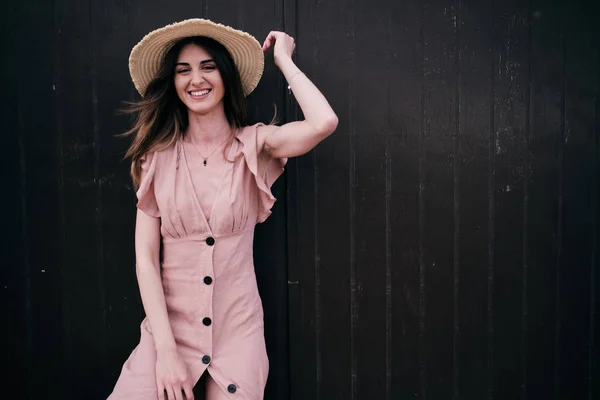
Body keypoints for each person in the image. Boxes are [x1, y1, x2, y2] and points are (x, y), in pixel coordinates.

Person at [107, 18, 338, 400]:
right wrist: (165, 352)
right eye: (184, 71)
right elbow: (145, 259)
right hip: (167, 334)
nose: (196, 79)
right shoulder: (157, 159)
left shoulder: (256, 146)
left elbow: (324, 122)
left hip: (237, 330)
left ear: (226, 76)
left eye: (207, 67)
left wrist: (284, 60)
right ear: (174, 84)